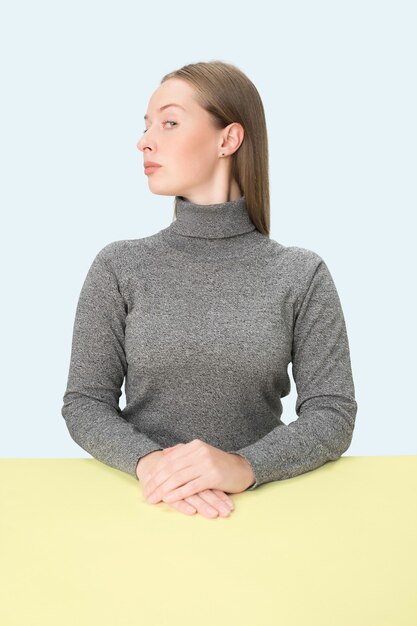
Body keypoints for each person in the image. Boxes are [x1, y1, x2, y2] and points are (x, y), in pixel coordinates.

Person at [61, 60, 358, 520]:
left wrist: (244, 466)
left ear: (228, 139)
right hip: (140, 511)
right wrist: (153, 465)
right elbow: (85, 402)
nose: (145, 141)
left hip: (264, 517)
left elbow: (333, 413)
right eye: (146, 126)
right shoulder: (119, 266)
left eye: (170, 122)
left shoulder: (301, 274)